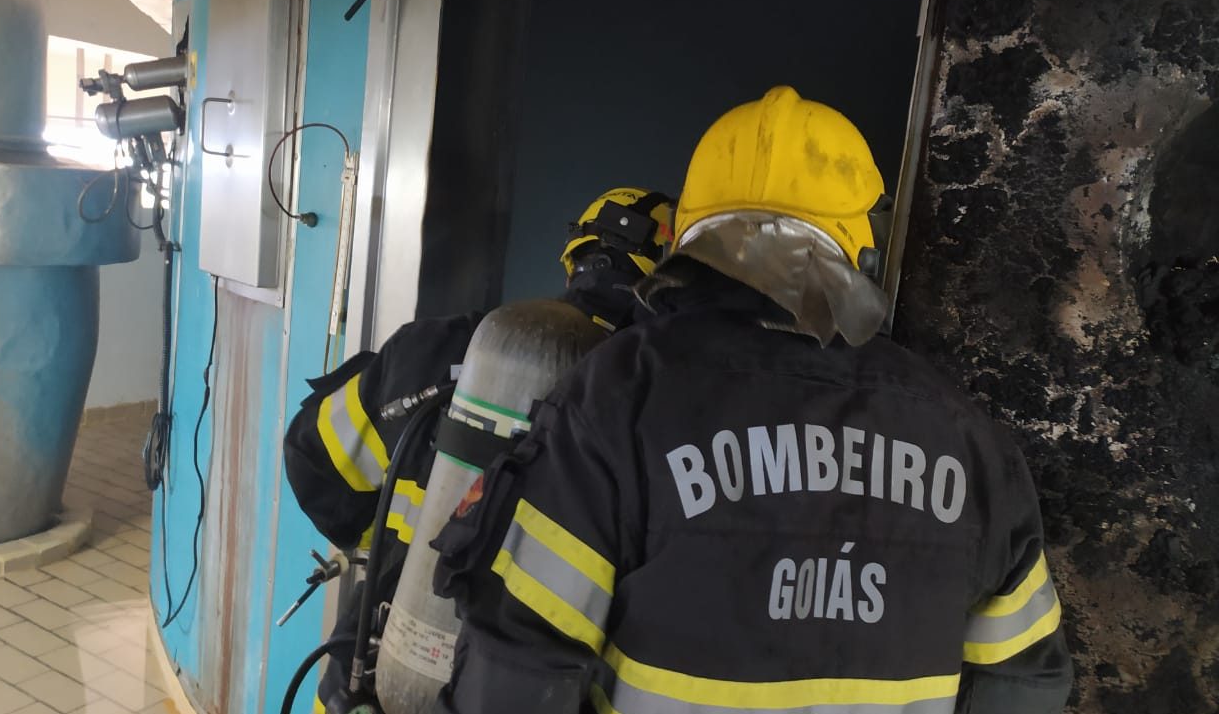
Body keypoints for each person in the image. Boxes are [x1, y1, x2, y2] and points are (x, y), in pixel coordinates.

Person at [432, 86, 1073, 714]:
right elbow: (1024, 682)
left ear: (685, 233)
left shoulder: (618, 396)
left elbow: (519, 666)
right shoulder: (968, 439)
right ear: (864, 248)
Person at [282, 186, 675, 713]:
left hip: (367, 676)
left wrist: (398, 548)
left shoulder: (430, 350)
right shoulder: (654, 413)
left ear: (573, 259)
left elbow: (314, 457)